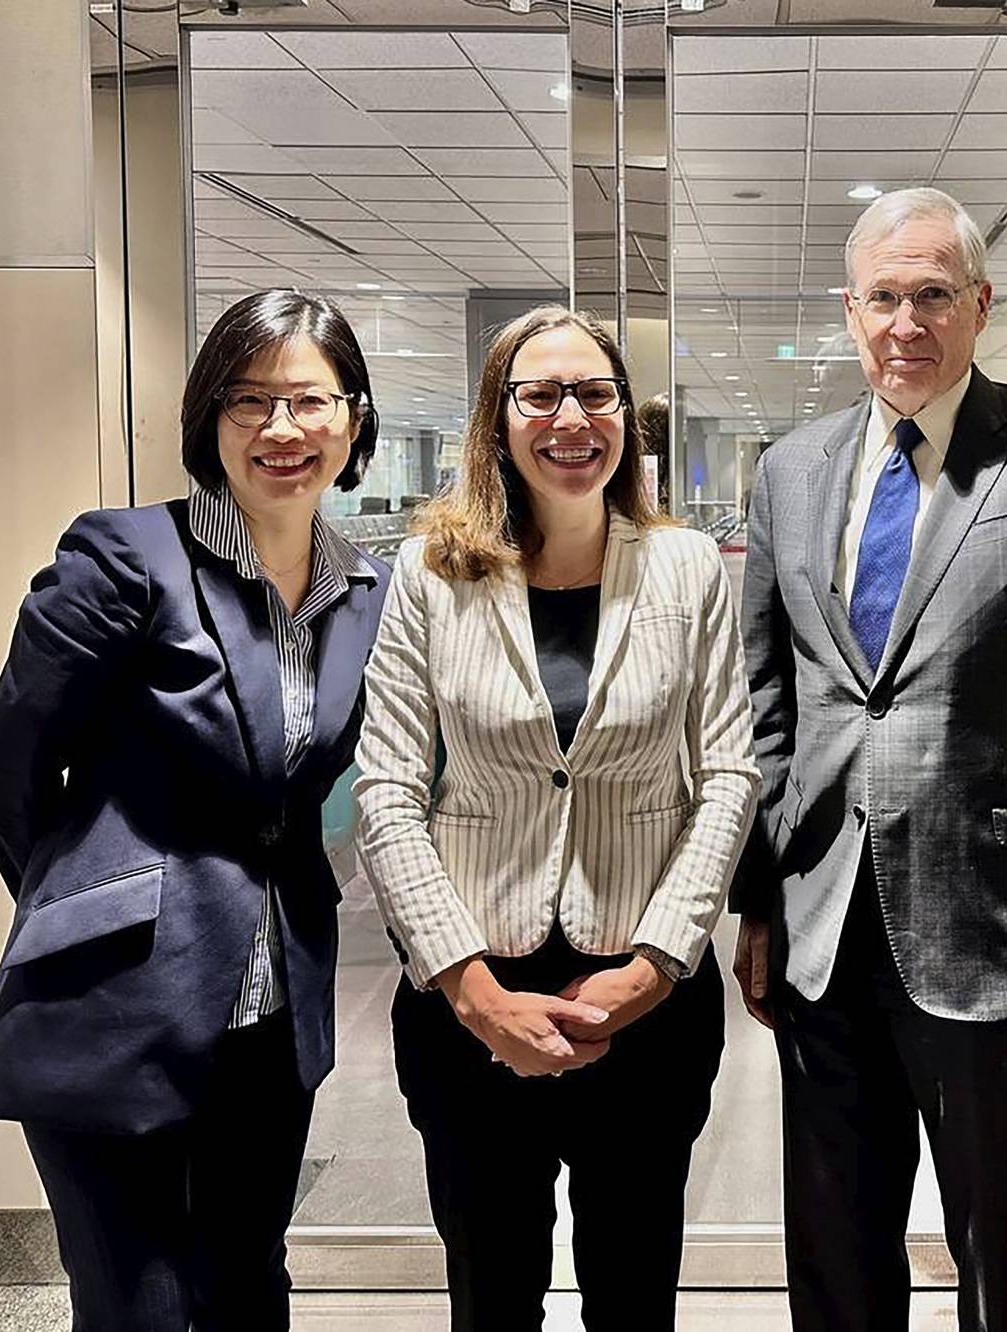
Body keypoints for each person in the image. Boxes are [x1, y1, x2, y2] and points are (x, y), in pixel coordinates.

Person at [730, 186, 1007, 1332]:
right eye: (883, 297)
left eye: (932, 295)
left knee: (996, 1253)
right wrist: (759, 905)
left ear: (979, 305)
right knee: (829, 1248)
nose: (905, 322)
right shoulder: (788, 470)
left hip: (995, 927)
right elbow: (766, 707)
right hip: (822, 926)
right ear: (848, 311)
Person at [0, 289, 390, 1330]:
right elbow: (8, 766)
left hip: (271, 1004)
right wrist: (89, 900)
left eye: (308, 402)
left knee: (250, 1278)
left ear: (354, 419)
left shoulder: (364, 589)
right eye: (248, 401)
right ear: (208, 417)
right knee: (138, 1300)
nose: (280, 430)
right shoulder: (125, 555)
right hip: (111, 997)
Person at [353, 306, 758, 1331]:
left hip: (645, 999)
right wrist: (471, 989)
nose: (571, 418)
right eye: (540, 395)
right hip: (469, 997)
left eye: (595, 393)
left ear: (625, 417)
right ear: (498, 421)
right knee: (493, 1298)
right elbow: (388, 790)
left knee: (632, 1294)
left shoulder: (684, 569)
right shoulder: (430, 576)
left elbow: (727, 777)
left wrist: (656, 962)